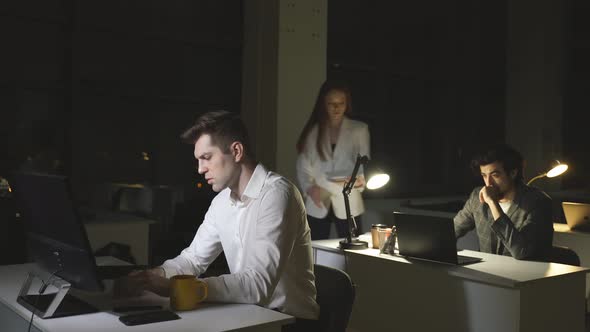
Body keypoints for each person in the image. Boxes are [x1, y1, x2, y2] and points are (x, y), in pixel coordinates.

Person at [117, 110, 319, 326]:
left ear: (237, 151)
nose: (200, 169)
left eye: (206, 157)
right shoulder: (222, 201)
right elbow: (192, 259)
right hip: (251, 315)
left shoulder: (277, 195)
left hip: (291, 323)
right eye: (198, 160)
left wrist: (182, 288)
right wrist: (150, 278)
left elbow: (258, 284)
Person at [295, 80, 370, 240]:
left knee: (353, 249)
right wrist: (309, 188)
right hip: (318, 200)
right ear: (323, 104)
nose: (336, 108)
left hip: (349, 200)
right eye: (331, 103)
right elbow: (303, 166)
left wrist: (358, 181)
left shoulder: (359, 130)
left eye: (341, 103)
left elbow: (363, 164)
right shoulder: (313, 132)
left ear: (347, 104)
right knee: (314, 249)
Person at [454, 143, 554, 260]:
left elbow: (521, 251)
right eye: (484, 175)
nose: (488, 183)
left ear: (513, 173)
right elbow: (453, 230)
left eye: (495, 175)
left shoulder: (538, 202)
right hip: (488, 273)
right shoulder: (477, 197)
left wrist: (492, 203)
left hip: (526, 275)